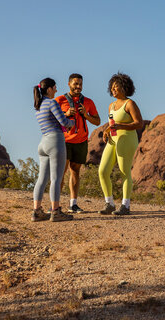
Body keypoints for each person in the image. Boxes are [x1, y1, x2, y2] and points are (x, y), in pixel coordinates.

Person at [98, 72, 144, 215]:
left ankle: (125, 206)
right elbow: (112, 123)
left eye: (116, 87)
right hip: (113, 139)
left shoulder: (130, 104)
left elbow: (139, 123)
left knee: (125, 172)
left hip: (127, 139)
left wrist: (121, 126)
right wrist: (107, 130)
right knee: (102, 171)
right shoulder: (111, 105)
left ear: (124, 88)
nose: (113, 90)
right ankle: (109, 203)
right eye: (111, 87)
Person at [55, 73, 101, 213]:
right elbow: (50, 120)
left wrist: (86, 115)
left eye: (80, 84)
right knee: (60, 173)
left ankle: (73, 204)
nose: (78, 86)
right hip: (64, 141)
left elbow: (97, 121)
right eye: (75, 84)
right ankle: (55, 206)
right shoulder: (60, 100)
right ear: (69, 84)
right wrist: (66, 114)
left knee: (75, 171)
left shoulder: (88, 102)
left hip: (81, 141)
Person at [32, 78, 75, 222]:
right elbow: (63, 121)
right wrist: (72, 122)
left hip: (43, 143)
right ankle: (55, 212)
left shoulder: (38, 106)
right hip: (55, 141)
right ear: (49, 89)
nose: (56, 90)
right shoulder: (52, 103)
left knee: (41, 179)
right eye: (55, 87)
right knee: (56, 178)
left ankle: (36, 211)